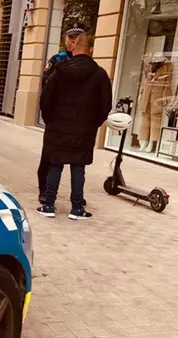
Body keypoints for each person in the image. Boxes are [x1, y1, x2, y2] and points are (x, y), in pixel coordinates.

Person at [37, 33, 112, 220]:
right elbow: (105, 105)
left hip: (58, 127)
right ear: (91, 50)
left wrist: (50, 121)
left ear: (73, 47)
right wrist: (93, 123)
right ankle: (77, 208)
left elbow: (45, 99)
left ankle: (48, 205)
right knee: (78, 167)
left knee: (55, 164)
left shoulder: (59, 71)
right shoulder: (100, 74)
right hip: (84, 130)